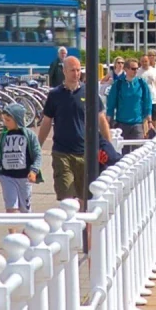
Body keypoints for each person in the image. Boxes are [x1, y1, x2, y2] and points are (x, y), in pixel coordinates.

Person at [38, 56, 109, 205]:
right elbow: (46, 121)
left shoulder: (88, 93)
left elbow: (101, 119)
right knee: (66, 197)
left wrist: (108, 146)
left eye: (78, 70)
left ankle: (85, 229)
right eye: (72, 70)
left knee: (85, 198)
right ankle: (68, 228)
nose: (76, 74)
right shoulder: (55, 95)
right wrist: (37, 146)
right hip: (62, 152)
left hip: (85, 153)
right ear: (64, 71)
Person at [0, 106, 41, 211]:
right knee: (11, 207)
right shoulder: (3, 136)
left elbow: (38, 154)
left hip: (24, 178)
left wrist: (34, 170)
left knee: (25, 209)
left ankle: (26, 228)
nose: (5, 123)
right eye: (4, 120)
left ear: (17, 119)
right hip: (7, 177)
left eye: (8, 120)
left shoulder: (29, 135)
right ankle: (12, 228)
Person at [109, 55, 153, 141]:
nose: (136, 71)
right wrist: (108, 121)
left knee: (138, 152)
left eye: (137, 68)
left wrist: (149, 121)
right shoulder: (118, 84)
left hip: (138, 124)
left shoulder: (142, 83)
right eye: (133, 69)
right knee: (123, 153)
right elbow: (111, 104)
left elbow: (147, 103)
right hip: (121, 124)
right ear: (126, 69)